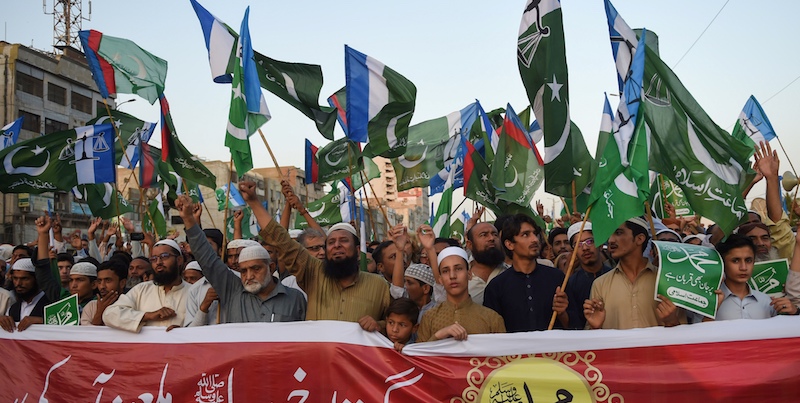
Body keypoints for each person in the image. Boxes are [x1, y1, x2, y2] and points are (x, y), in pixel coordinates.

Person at [240, 180, 389, 324]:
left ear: (357, 250)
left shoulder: (379, 285)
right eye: (330, 242)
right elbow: (281, 240)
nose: (336, 245)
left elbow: (398, 322)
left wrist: (379, 325)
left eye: (343, 240)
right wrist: (254, 202)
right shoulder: (314, 273)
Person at [177, 195, 306, 323]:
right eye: (244, 271)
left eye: (256, 268)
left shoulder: (295, 298)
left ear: (271, 267)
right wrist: (189, 220)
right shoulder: (232, 291)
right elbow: (206, 258)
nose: (249, 276)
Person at [584, 218, 683, 330]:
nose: (611, 240)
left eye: (618, 233)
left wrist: (672, 322)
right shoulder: (600, 284)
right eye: (609, 234)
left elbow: (685, 337)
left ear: (639, 239)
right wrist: (595, 327)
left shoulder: (667, 281)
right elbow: (592, 339)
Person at [484, 214, 569, 332]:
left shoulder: (557, 278)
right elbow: (492, 334)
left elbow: (575, 327)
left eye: (535, 234)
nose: (534, 239)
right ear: (509, 244)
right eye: (525, 235)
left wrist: (562, 313)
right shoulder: (496, 287)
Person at [691, 234, 791, 322]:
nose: (743, 267)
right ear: (722, 262)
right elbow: (699, 339)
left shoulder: (767, 302)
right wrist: (712, 309)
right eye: (735, 261)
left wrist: (793, 312)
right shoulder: (707, 301)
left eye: (748, 260)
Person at [417, 247, 505, 342]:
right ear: (440, 279)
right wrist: (439, 335)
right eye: (446, 271)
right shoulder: (429, 317)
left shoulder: (492, 318)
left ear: (469, 274)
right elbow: (419, 354)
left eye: (458, 269)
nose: (452, 276)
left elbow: (501, 354)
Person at [103, 239, 190, 332]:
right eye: (154, 259)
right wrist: (147, 316)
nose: (158, 262)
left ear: (179, 260)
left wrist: (185, 332)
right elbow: (109, 314)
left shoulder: (194, 292)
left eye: (164, 256)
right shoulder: (141, 289)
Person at [564, 222, 611, 330]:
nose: (585, 248)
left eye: (590, 241)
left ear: (600, 245)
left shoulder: (615, 277)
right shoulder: (571, 284)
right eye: (578, 244)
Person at [0, 258, 49, 332]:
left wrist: (43, 321)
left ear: (36, 279)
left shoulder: (51, 302)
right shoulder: (13, 309)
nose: (18, 284)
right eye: (15, 278)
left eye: (24, 279)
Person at [465, 222, 507, 306]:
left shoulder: (510, 273)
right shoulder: (461, 277)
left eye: (495, 234)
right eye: (484, 235)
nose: (491, 238)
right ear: (470, 244)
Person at [82, 259, 128, 326]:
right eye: (99, 281)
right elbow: (88, 335)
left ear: (122, 283)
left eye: (108, 280)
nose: (102, 286)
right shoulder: (91, 306)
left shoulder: (131, 305)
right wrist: (100, 312)